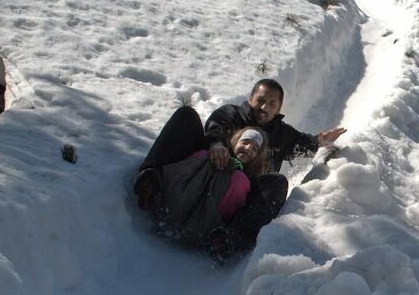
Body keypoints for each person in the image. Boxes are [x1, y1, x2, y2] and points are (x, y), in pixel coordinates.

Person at [135, 78, 345, 252]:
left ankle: (231, 239)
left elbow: (305, 144)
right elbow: (214, 130)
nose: (264, 107)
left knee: (277, 182)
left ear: (279, 108)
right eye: (260, 100)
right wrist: (216, 144)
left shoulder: (282, 133)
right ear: (250, 98)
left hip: (235, 200)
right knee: (186, 115)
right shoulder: (230, 114)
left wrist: (321, 140)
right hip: (201, 178)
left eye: (272, 103)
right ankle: (150, 182)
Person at [153, 126, 270, 258]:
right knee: (203, 156)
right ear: (235, 142)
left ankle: (218, 238)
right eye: (245, 142)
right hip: (176, 205)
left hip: (205, 228)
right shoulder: (207, 154)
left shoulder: (245, 180)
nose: (248, 148)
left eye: (255, 148)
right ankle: (155, 193)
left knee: (240, 180)